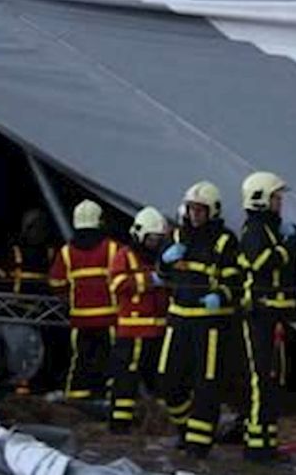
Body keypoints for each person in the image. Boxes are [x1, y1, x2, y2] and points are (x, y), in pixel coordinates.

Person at [156, 181, 241, 459]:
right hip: (178, 319)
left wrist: (220, 295)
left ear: (212, 211)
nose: (195, 215)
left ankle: (198, 445)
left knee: (207, 384)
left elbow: (236, 282)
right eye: (191, 209)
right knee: (168, 382)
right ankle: (185, 430)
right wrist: (166, 261)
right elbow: (162, 274)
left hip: (210, 324)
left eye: (200, 210)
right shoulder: (177, 235)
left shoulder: (225, 241)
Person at [237, 172, 296, 462]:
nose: (280, 203)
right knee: (261, 379)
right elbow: (261, 262)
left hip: (275, 315)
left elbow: (284, 265)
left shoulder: (273, 230)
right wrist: (288, 246)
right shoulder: (254, 230)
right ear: (262, 199)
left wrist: (295, 240)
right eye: (276, 198)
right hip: (259, 315)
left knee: (273, 380)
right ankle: (256, 446)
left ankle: (267, 442)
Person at [49, 200, 120, 402]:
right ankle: (109, 397)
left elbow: (56, 282)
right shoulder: (113, 249)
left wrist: (69, 302)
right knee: (110, 360)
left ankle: (76, 399)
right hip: (109, 320)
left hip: (80, 321)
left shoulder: (66, 252)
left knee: (81, 360)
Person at [107, 207, 170, 433]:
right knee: (126, 379)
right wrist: (149, 280)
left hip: (158, 331)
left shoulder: (162, 259)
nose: (154, 243)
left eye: (158, 239)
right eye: (152, 239)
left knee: (159, 379)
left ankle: (158, 423)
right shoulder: (124, 256)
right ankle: (119, 424)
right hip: (132, 332)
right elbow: (117, 284)